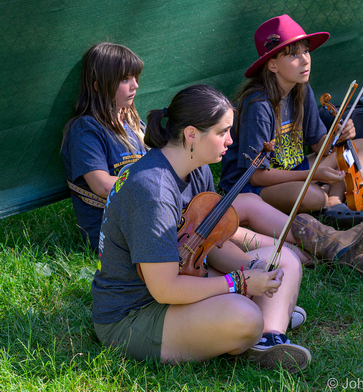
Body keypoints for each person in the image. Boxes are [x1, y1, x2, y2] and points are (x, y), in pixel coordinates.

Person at [91, 84, 312, 374]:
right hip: (134, 315)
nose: (230, 141)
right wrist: (240, 283)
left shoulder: (198, 169)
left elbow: (205, 249)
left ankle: (269, 337)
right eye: (222, 132)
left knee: (285, 259)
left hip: (184, 280)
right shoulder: (153, 192)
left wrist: (256, 268)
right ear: (192, 134)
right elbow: (165, 289)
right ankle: (256, 323)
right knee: (244, 316)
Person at [220, 14, 363, 228]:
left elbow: (318, 144)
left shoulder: (301, 89)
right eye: (294, 55)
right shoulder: (259, 105)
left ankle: (333, 202)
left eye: (305, 51)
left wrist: (336, 137)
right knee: (313, 197)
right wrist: (312, 174)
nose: (305, 59)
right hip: (253, 186)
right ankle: (324, 198)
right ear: (273, 65)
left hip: (295, 170)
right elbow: (256, 176)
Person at [61, 43, 148, 251]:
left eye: (135, 78)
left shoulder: (135, 124)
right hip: (110, 231)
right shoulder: (85, 129)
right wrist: (156, 185)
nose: (135, 85)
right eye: (125, 79)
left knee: (208, 232)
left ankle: (237, 276)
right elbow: (103, 186)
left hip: (144, 215)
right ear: (99, 86)